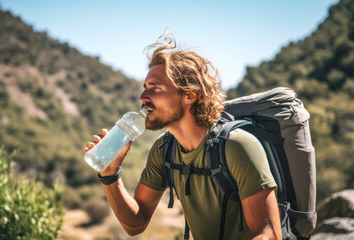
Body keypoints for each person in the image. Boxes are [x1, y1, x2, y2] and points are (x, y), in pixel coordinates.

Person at [84, 35, 282, 240]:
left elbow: (269, 234)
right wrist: (110, 175)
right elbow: (136, 224)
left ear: (190, 95)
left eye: (156, 87)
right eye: (145, 87)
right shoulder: (164, 150)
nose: (143, 97)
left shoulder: (237, 145)